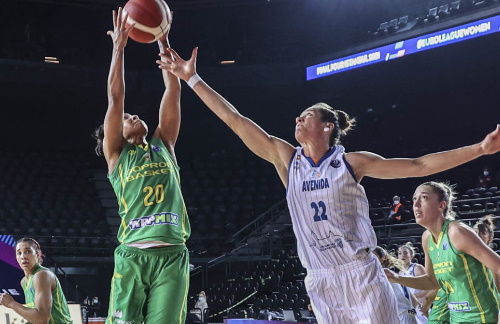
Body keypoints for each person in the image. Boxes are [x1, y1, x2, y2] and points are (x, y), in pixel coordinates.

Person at [157, 46, 500, 324]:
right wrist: (192, 78)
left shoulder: (351, 163)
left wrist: (481, 148)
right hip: (320, 277)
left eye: (306, 115)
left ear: (327, 126)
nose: (298, 118)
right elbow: (234, 120)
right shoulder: (286, 159)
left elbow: (418, 165)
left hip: (360, 273)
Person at [93, 8, 190, 324]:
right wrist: (118, 48)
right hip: (133, 254)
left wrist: (162, 39)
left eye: (132, 114)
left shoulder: (165, 144)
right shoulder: (116, 157)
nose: (132, 115)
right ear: (114, 134)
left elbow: (173, 89)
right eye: (126, 119)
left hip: (172, 254)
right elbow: (115, 98)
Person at [385, 181, 500, 324]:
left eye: (424, 198)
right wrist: (396, 278)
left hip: (483, 317)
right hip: (456, 318)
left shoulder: (457, 232)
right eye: (414, 199)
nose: (416, 204)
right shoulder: (427, 238)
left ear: (441, 205)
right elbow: (432, 281)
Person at [0, 237, 73, 324]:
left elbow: (42, 319)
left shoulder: (42, 275)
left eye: (28, 251)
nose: (23, 257)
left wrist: (11, 304)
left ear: (38, 254)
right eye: (19, 253)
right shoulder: (24, 281)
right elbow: (35, 319)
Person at [373, 246, 419, 324]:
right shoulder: (393, 274)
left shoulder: (381, 274)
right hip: (407, 316)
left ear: (382, 259)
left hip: (400, 317)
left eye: (372, 256)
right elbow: (415, 301)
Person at [397, 243, 433, 323]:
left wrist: (414, 297)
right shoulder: (400, 273)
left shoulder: (417, 268)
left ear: (411, 256)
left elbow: (430, 288)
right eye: (400, 253)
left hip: (420, 306)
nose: (402, 255)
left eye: (405, 253)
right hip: (409, 308)